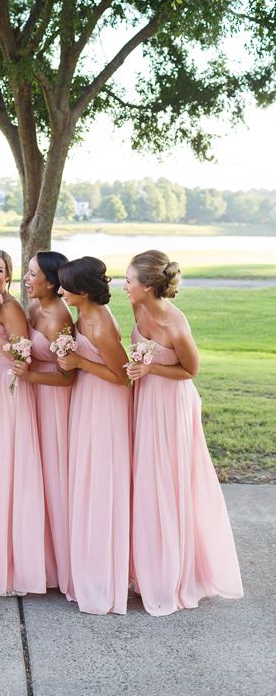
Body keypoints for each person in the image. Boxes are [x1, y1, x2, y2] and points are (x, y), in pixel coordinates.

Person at [124, 250, 243, 615]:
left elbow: (191, 371)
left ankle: (174, 572)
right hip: (146, 400)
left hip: (172, 406)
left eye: (128, 281)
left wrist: (149, 371)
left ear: (146, 286)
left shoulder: (176, 324)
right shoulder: (138, 307)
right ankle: (145, 567)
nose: (123, 286)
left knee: (168, 483)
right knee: (145, 481)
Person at [56, 257, 131, 615]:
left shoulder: (100, 324)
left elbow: (123, 376)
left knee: (100, 484)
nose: (59, 291)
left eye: (65, 287)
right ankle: (84, 569)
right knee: (84, 480)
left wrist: (81, 363)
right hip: (87, 398)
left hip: (105, 405)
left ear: (84, 291)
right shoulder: (81, 314)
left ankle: (102, 580)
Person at [0, 249, 46, 598]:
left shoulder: (11, 307)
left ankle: (12, 561)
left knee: (8, 465)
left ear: (9, 275)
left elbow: (22, 354)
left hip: (10, 387)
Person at [10, 251, 74, 594]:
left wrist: (31, 375)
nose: (26, 278)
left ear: (51, 282)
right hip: (33, 397)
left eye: (32, 274)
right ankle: (39, 557)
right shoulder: (34, 307)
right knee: (37, 480)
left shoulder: (59, 317)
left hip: (53, 401)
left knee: (54, 479)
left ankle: (61, 566)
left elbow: (67, 379)